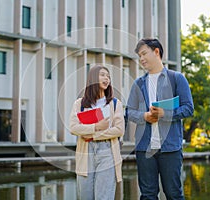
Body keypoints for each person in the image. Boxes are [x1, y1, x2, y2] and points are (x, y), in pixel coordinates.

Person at [126, 38, 194, 200]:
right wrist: (144, 116)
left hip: (170, 148)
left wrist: (165, 114)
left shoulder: (176, 78)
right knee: (148, 195)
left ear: (156, 52)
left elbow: (188, 108)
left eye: (144, 54)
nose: (141, 59)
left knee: (174, 194)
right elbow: (129, 111)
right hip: (144, 149)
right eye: (139, 56)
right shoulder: (138, 83)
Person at [69, 65, 125, 200]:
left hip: (108, 152)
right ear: (93, 79)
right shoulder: (79, 104)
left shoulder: (115, 104)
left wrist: (92, 134)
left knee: (104, 197)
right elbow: (73, 127)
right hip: (85, 152)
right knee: (85, 195)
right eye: (103, 75)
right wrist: (96, 126)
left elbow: (119, 130)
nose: (107, 78)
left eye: (108, 76)